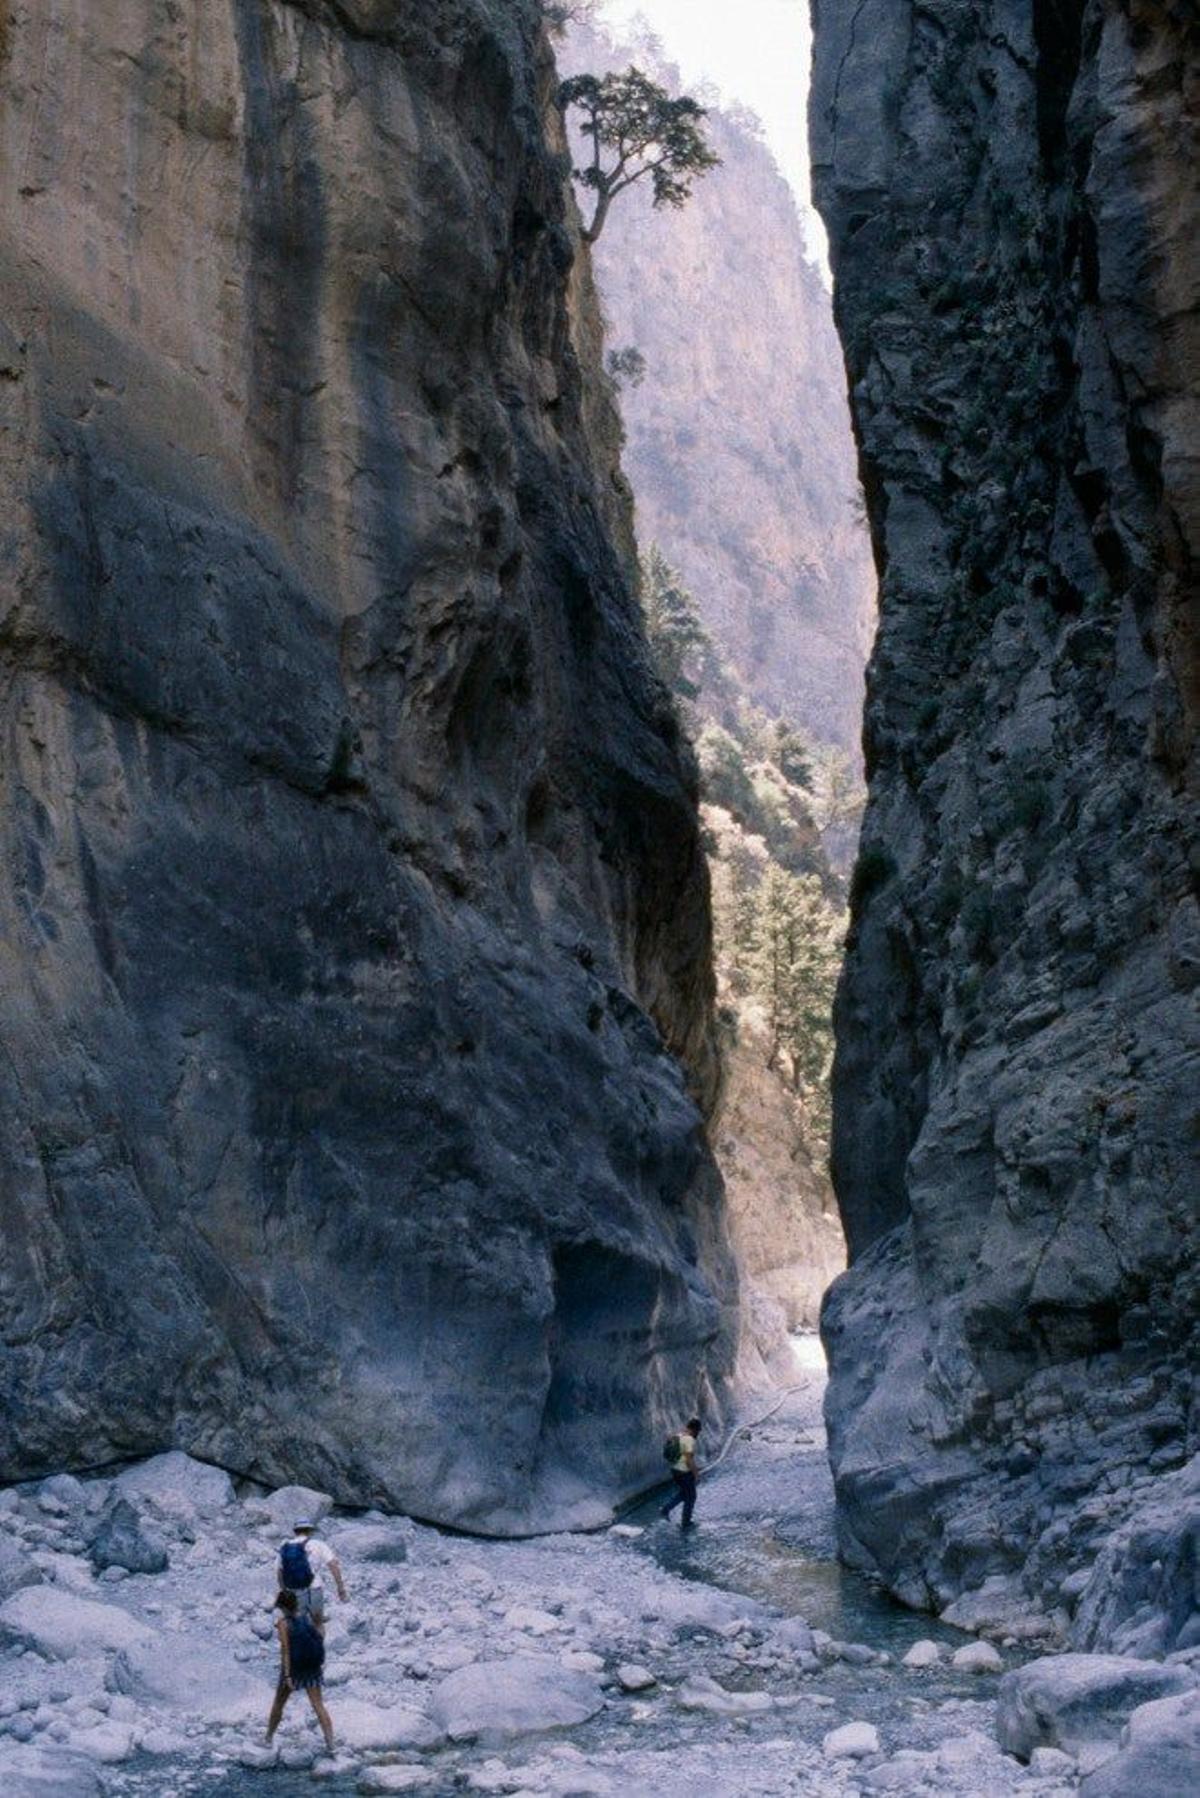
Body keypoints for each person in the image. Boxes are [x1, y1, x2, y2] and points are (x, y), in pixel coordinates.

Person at [265, 1589, 334, 1752]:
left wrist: (288, 1675)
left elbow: (286, 1650)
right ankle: (331, 1744)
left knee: (279, 1704)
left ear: (282, 1606)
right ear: (296, 1603)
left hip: (294, 1669)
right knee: (318, 1705)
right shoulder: (307, 1618)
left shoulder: (283, 1623)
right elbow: (321, 1635)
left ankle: (268, 1738)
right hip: (312, 1667)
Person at [277, 1518, 347, 1626]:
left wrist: (284, 1590)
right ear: (310, 1531)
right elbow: (333, 1565)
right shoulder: (318, 1544)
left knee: (298, 1622)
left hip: (293, 1589)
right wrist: (340, 1588)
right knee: (317, 1623)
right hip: (314, 1588)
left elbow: (279, 1571)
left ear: (295, 1531)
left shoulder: (285, 1547)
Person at [660, 1416, 702, 1529]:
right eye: (698, 1431)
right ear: (695, 1429)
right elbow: (689, 1459)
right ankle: (686, 1523)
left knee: (684, 1493)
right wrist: (696, 1474)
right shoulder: (689, 1439)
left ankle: (665, 1509)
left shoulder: (678, 1436)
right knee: (691, 1497)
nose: (698, 1434)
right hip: (684, 1472)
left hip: (675, 1471)